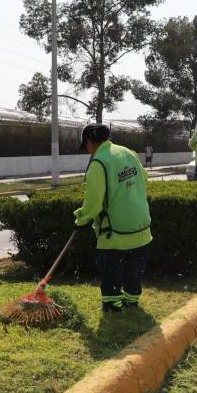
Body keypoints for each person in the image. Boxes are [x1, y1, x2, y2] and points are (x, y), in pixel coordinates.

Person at [74, 123, 153, 313]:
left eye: (86, 146)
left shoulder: (99, 163)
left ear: (90, 142)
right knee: (134, 269)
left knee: (111, 268)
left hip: (115, 231)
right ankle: (132, 300)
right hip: (142, 226)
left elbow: (94, 201)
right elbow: (144, 178)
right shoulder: (129, 153)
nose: (87, 151)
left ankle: (112, 304)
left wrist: (81, 218)